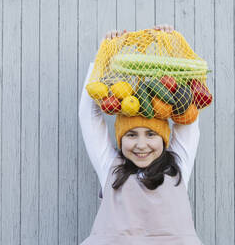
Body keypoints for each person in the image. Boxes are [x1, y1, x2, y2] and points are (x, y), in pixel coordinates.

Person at [79, 25, 204, 245]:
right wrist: (104, 57)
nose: (141, 144)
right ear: (120, 139)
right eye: (131, 135)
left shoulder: (178, 167)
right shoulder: (111, 167)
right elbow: (89, 117)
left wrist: (172, 49)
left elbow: (187, 117)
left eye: (150, 134)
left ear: (164, 139)